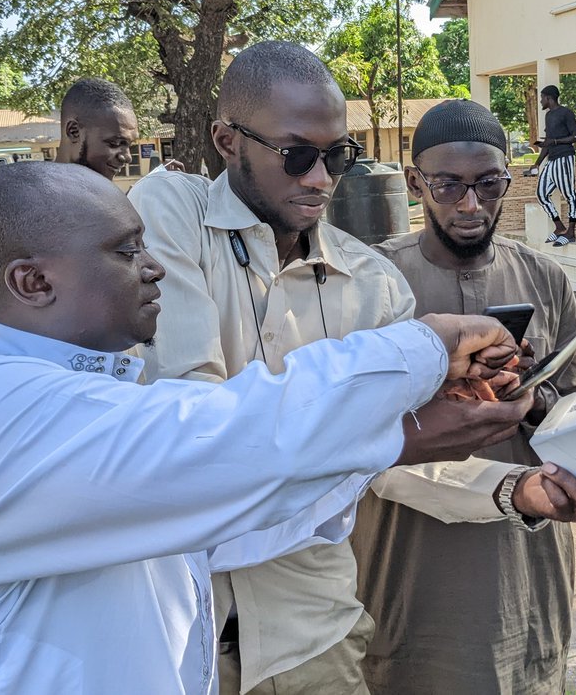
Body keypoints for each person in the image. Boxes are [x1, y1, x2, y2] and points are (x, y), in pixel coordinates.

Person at [0, 160, 520, 695]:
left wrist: (402, 437)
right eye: (126, 251)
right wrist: (426, 345)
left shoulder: (72, 399)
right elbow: (233, 433)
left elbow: (227, 514)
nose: (154, 268)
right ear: (33, 280)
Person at [128, 42, 542, 695]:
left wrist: (517, 488)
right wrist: (373, 427)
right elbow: (196, 427)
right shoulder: (173, 211)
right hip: (175, 639)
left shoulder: (373, 284)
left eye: (337, 156)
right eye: (297, 156)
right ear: (227, 141)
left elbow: (396, 461)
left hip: (310, 638)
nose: (321, 179)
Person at [351, 98, 576, 695]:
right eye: (449, 186)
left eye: (489, 183)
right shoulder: (371, 281)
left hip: (523, 565)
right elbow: (354, 430)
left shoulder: (544, 278)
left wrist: (530, 397)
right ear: (414, 184)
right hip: (409, 565)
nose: (471, 205)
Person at [523, 84, 576, 246]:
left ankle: (571, 232)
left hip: (565, 157)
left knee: (570, 194)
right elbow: (547, 144)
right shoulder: (548, 116)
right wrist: (536, 164)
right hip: (552, 160)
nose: (540, 101)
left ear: (549, 98)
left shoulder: (566, 113)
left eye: (542, 98)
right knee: (541, 194)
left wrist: (556, 141)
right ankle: (559, 226)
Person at [55, 77, 139, 179]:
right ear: (74, 131)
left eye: (129, 145)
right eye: (115, 144)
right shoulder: (35, 192)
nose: (127, 157)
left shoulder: (109, 194)